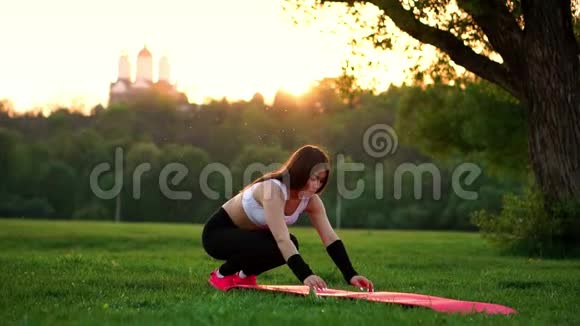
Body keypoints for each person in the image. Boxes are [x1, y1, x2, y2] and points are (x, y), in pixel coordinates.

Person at [201, 145, 374, 292]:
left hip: (249, 240)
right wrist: (306, 275)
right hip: (217, 236)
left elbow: (330, 238)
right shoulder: (273, 190)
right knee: (281, 242)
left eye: (321, 181)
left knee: (292, 242)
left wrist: (350, 274)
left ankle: (243, 276)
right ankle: (221, 275)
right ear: (300, 171)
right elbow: (281, 238)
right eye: (313, 178)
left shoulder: (311, 201)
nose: (316, 185)